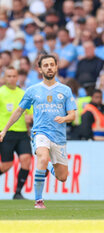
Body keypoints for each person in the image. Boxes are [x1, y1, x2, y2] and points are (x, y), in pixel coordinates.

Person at [0, 54, 76, 209]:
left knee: (63, 177)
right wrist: (4, 130)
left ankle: (48, 167)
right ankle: (39, 201)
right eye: (46, 65)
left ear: (56, 67)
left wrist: (65, 118)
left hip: (59, 137)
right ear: (40, 69)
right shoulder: (32, 90)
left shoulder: (65, 90)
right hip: (40, 133)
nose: (49, 67)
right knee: (42, 156)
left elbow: (73, 114)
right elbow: (19, 111)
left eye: (52, 65)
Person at [0, 67, 32, 199]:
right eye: (9, 76)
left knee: (26, 159)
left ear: (17, 77)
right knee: (7, 165)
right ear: (4, 78)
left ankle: (18, 192)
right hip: (6, 133)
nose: (12, 79)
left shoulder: (23, 93)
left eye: (14, 76)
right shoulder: (1, 93)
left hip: (22, 133)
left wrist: (30, 118)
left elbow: (30, 113)